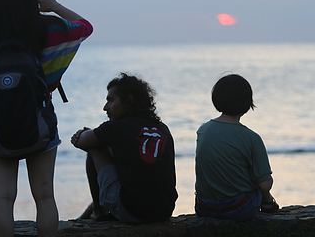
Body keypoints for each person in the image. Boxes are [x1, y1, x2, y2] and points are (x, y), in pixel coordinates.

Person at [0, 0, 93, 237]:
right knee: (44, 196)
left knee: (3, 197)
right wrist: (52, 5)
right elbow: (85, 27)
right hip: (39, 121)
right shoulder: (48, 28)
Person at [71, 73, 177, 224]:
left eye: (110, 100)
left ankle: (99, 212)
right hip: (164, 212)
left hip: (134, 214)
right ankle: (92, 211)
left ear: (128, 101)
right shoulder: (162, 128)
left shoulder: (117, 128)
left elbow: (82, 142)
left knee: (95, 148)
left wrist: (83, 134)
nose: (105, 107)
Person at [194, 74, 277, 221]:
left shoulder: (203, 130)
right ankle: (268, 204)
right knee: (258, 179)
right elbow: (265, 185)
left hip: (204, 207)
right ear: (247, 104)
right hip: (238, 208)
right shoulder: (251, 138)